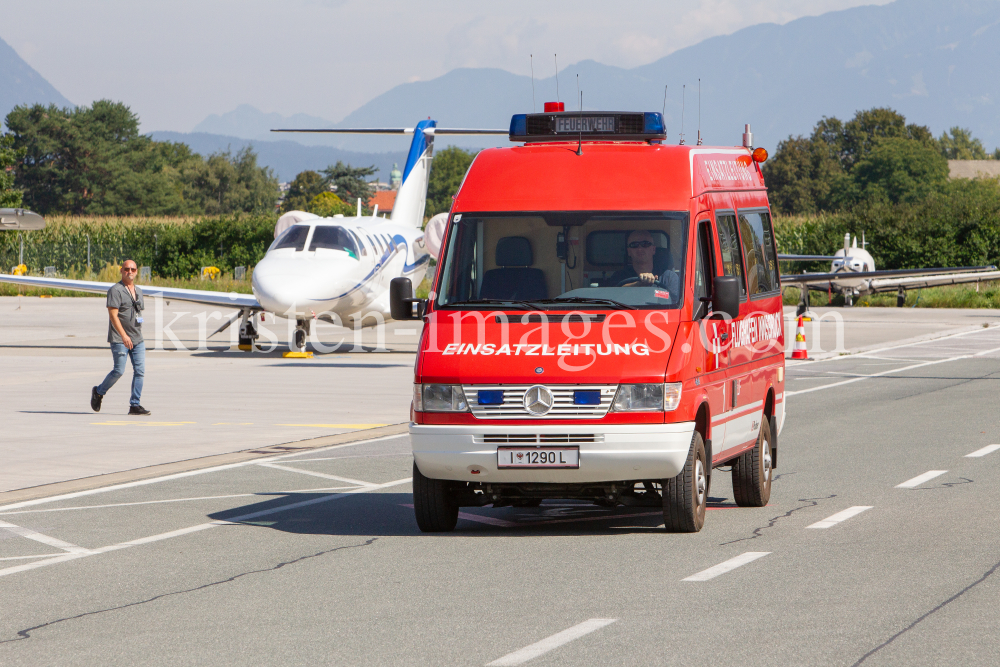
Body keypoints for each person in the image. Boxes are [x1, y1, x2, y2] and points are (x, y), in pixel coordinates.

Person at [91, 260, 151, 415]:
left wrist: (138, 330)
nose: (129, 272)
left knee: (140, 371)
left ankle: (135, 404)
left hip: (137, 338)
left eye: (132, 269)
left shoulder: (138, 290)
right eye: (126, 269)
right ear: (121, 271)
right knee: (119, 370)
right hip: (120, 338)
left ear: (136, 271)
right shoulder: (115, 290)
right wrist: (124, 336)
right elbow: (113, 315)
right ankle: (99, 391)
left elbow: (138, 313)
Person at [608, 229, 681, 296]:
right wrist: (638, 284)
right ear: (629, 251)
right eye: (634, 245)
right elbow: (613, 296)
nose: (640, 249)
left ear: (653, 249)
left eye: (645, 244)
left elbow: (675, 303)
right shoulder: (618, 276)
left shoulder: (669, 277)